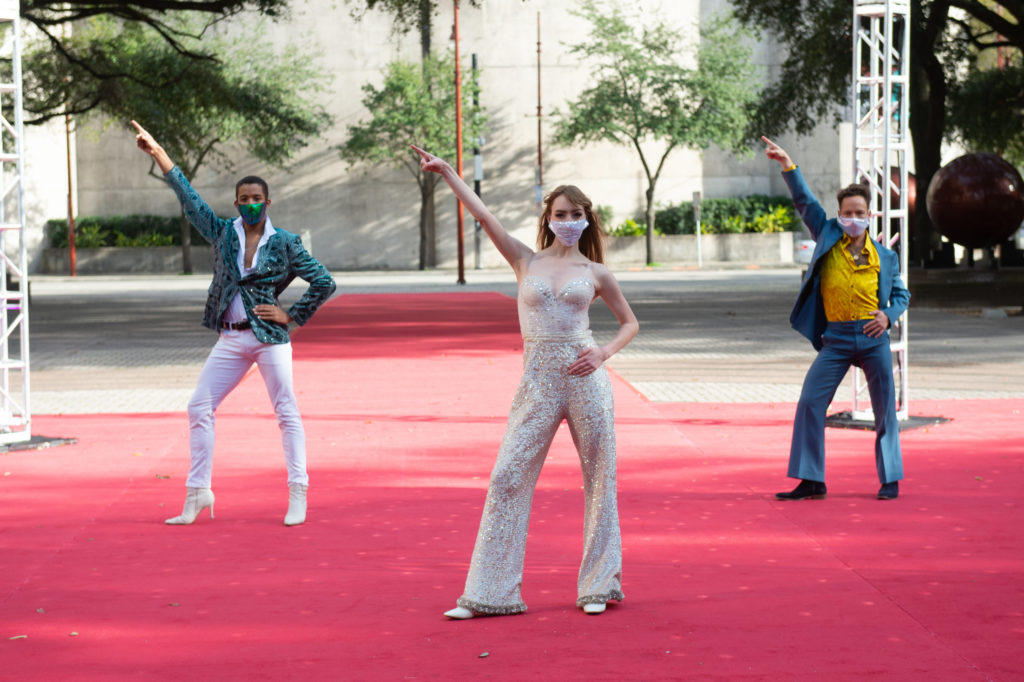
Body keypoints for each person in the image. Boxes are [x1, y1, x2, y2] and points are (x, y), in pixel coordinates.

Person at [411, 145, 639, 618]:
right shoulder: (524, 261)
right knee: (506, 476)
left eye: (576, 214)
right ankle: (490, 593)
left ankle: (598, 585)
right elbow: (483, 215)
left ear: (586, 220)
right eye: (560, 213)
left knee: (600, 479)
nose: (568, 220)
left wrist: (602, 353)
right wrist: (449, 172)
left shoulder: (596, 272)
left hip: (585, 381)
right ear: (549, 218)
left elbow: (629, 324)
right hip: (536, 383)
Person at [131, 120, 336, 526]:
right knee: (199, 406)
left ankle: (298, 493)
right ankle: (198, 492)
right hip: (230, 338)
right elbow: (190, 200)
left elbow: (325, 281)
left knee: (286, 412)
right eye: (243, 199)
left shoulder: (286, 243)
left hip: (269, 339)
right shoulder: (223, 233)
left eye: (257, 198)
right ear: (237, 202)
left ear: (268, 201)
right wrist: (159, 155)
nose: (250, 204)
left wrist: (292, 316)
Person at [762, 136, 909, 501]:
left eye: (860, 213)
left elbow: (903, 295)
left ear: (870, 215)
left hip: (873, 337)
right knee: (811, 401)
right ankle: (812, 480)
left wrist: (888, 316)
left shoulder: (885, 257)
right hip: (837, 339)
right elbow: (805, 202)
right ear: (839, 213)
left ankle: (889, 478)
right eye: (848, 213)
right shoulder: (827, 233)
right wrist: (788, 166)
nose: (853, 219)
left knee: (883, 408)